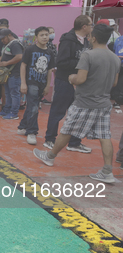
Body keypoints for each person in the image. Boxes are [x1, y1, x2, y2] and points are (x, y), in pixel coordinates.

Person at [33, 24, 120, 183]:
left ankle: (50, 156)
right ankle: (107, 171)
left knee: (67, 130)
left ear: (93, 37)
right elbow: (114, 83)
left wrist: (71, 78)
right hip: (103, 102)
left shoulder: (88, 55)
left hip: (85, 101)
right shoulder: (114, 58)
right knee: (105, 136)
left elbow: (80, 79)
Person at [43, 15, 93, 153]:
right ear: (84, 26)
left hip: (79, 82)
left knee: (78, 113)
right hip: (65, 81)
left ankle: (74, 142)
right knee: (58, 111)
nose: (91, 27)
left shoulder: (86, 42)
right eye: (90, 24)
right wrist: (82, 65)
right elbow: (62, 62)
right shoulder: (68, 40)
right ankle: (50, 139)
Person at [17, 27, 55, 145]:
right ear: (36, 37)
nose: (45, 37)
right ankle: (32, 131)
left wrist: (48, 85)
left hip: (42, 83)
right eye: (42, 35)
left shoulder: (50, 52)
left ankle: (22, 126)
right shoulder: (30, 50)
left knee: (32, 106)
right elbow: (23, 65)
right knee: (34, 107)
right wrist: (23, 83)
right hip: (31, 82)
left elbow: (49, 70)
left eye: (46, 35)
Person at [0, 29, 23, 120]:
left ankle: (14, 112)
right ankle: (7, 109)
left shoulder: (15, 44)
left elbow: (19, 56)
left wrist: (6, 63)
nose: (2, 40)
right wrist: (0, 60)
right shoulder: (7, 44)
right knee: (7, 92)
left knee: (14, 93)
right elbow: (3, 54)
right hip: (7, 73)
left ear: (9, 35)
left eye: (3, 38)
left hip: (14, 73)